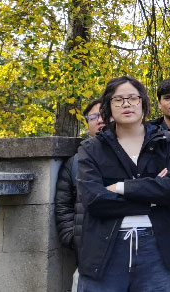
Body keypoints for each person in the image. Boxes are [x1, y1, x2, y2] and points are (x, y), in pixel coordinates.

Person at [75, 76, 170, 292]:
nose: (126, 104)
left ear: (143, 103)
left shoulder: (165, 142)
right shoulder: (92, 149)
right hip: (105, 247)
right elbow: (94, 200)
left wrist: (121, 187)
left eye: (133, 98)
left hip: (155, 246)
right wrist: (154, 197)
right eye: (118, 99)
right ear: (109, 106)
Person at [55, 99, 104, 292]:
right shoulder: (75, 162)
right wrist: (73, 237)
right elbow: (62, 204)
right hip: (87, 253)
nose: (100, 121)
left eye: (104, 115)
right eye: (94, 117)